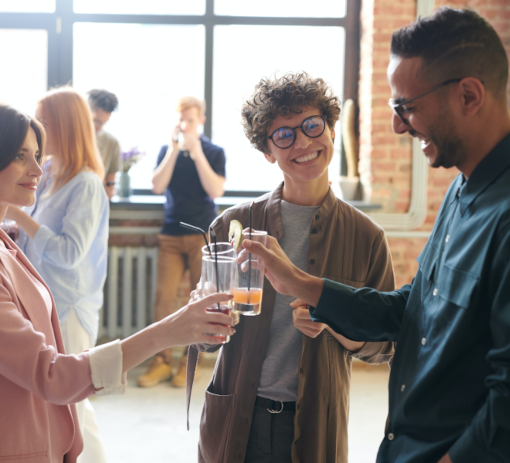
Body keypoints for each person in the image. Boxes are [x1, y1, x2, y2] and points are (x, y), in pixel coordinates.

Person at [243, 8, 510, 463]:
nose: (397, 126)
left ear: (468, 95)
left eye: (407, 107)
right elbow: (412, 309)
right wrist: (301, 284)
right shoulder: (461, 190)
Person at [0, 100, 235, 463]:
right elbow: (50, 374)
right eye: (21, 156)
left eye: (37, 154)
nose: (37, 168)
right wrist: (169, 331)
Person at [189, 73, 396, 463]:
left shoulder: (367, 237)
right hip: (235, 416)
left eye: (312, 126)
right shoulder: (230, 225)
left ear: (331, 129)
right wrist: (201, 315)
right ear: (268, 151)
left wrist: (334, 319)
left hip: (315, 423)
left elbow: (385, 346)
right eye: (283, 135)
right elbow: (201, 339)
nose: (302, 142)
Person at [10, 87, 108, 463]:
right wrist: (18, 229)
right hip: (45, 298)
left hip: (71, 306)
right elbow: (40, 235)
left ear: (64, 127)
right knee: (68, 407)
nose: (36, 129)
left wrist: (21, 218)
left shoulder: (86, 184)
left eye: (44, 122)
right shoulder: (49, 172)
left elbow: (69, 252)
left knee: (74, 406)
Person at [139, 96, 226, 388]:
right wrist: (174, 151)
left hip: (203, 236)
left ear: (201, 120)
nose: (185, 125)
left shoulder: (214, 151)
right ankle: (161, 362)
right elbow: (156, 186)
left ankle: (191, 363)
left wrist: (197, 151)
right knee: (164, 299)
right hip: (171, 235)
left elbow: (215, 192)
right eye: (181, 120)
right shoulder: (168, 150)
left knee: (201, 301)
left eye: (190, 120)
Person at [88, 89, 121, 198]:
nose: (100, 127)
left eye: (104, 123)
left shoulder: (112, 143)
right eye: (96, 121)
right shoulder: (69, 137)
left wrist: (110, 191)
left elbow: (110, 182)